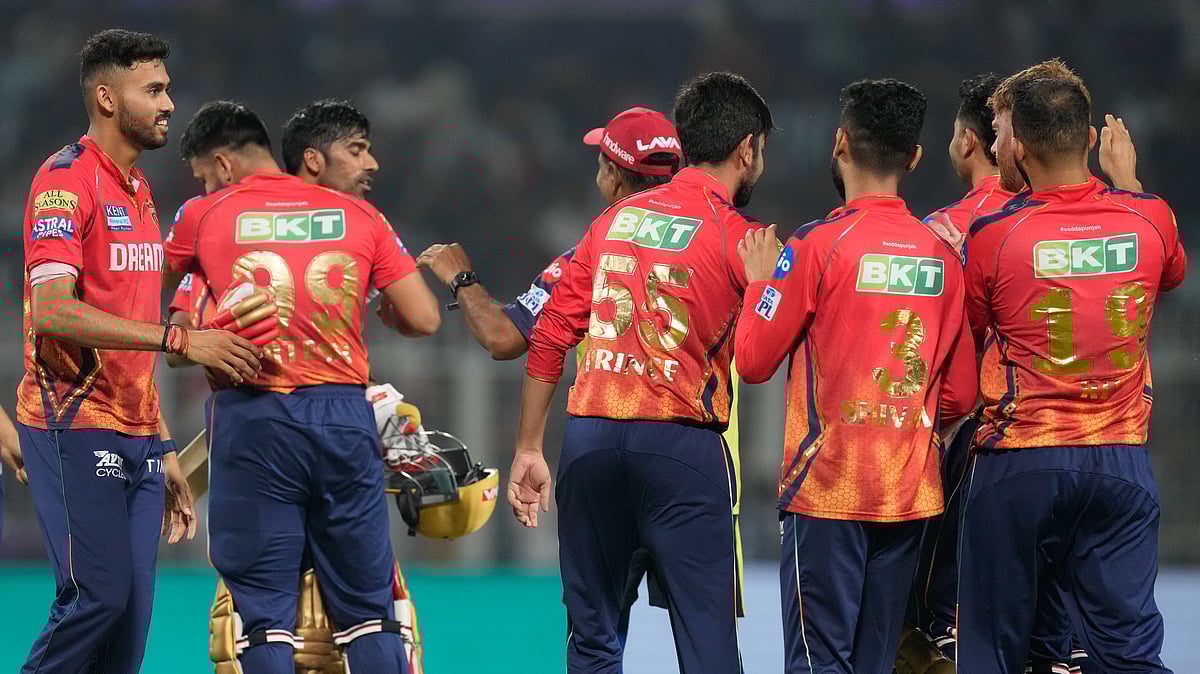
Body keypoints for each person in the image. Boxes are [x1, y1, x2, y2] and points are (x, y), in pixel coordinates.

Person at [418, 106, 750, 636]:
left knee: (596, 635)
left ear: (612, 175)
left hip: (606, 450)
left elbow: (507, 337)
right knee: (705, 637)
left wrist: (462, 280)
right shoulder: (725, 235)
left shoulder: (595, 247)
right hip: (698, 458)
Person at [508, 71, 772, 673]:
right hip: (683, 448)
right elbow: (758, 362)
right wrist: (762, 289)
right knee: (707, 646)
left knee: (593, 639)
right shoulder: (745, 240)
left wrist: (528, 447)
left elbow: (550, 333)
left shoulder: (611, 222)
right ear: (747, 150)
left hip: (590, 442)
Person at [163, 100, 440, 673]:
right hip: (343, 416)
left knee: (263, 619)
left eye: (206, 176)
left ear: (223, 164)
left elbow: (161, 317)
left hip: (254, 417)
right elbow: (424, 318)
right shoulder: (361, 216)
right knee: (372, 615)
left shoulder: (205, 215)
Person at [16, 30, 262, 674]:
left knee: (129, 630)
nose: (169, 104)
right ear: (107, 97)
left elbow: (127, 326)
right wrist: (181, 337)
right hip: (73, 421)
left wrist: (160, 440)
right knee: (96, 598)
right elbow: (52, 311)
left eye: (167, 90)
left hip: (137, 433)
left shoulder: (139, 190)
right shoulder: (64, 182)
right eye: (152, 90)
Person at [734, 78, 977, 673]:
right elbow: (962, 393)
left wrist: (761, 285)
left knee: (820, 664)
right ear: (914, 158)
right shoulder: (942, 256)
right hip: (909, 497)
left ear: (839, 142)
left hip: (828, 493)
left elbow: (754, 362)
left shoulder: (815, 246)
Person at [956, 67, 1187, 673]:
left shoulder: (992, 234)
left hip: (1020, 463)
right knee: (1129, 658)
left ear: (1020, 150)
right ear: (1089, 140)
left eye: (1002, 135)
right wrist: (1129, 184)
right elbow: (1169, 271)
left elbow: (970, 331)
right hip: (1121, 464)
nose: (998, 146)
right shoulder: (1151, 217)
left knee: (993, 653)